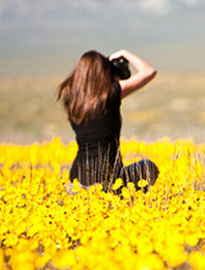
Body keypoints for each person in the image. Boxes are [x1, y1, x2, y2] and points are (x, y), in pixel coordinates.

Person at [57, 49, 158, 194]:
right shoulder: (110, 95)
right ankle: (126, 205)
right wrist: (125, 53)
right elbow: (149, 72)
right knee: (148, 167)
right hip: (108, 181)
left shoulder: (72, 101)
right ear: (102, 72)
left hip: (77, 183)